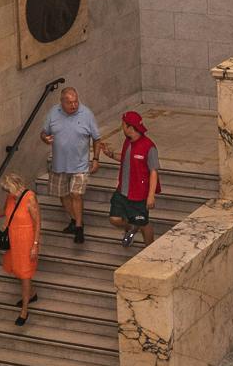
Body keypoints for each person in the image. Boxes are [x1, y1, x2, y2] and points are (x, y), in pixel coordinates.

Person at [0, 171, 39, 325]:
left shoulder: (30, 198)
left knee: (25, 274)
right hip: (14, 239)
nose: (7, 192)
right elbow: (3, 212)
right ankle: (31, 294)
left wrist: (35, 245)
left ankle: (24, 310)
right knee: (17, 270)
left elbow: (38, 223)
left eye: (8, 189)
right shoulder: (11, 197)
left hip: (27, 240)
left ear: (16, 185)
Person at [41, 86, 98, 244]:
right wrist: (45, 138)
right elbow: (43, 133)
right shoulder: (53, 113)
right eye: (70, 103)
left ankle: (79, 228)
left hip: (80, 164)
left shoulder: (86, 114)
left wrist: (96, 159)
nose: (74, 105)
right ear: (62, 102)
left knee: (76, 194)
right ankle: (74, 220)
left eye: (76, 102)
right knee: (63, 195)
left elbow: (97, 138)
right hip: (60, 164)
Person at [103, 110, 159, 249]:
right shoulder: (128, 142)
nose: (121, 127)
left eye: (123, 124)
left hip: (139, 194)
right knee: (114, 219)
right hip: (122, 191)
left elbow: (153, 172)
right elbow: (125, 159)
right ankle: (131, 227)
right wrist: (111, 155)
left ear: (130, 127)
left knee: (143, 223)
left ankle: (149, 250)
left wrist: (151, 195)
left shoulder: (148, 147)